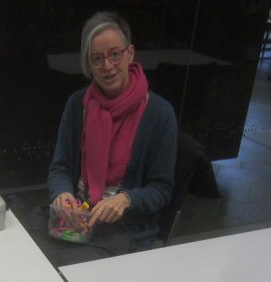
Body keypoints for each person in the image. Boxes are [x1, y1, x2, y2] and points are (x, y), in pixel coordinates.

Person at [47, 11, 177, 256]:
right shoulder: (77, 105)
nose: (107, 66)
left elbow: (161, 189)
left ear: (130, 53)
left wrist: (126, 199)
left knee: (64, 267)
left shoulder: (159, 114)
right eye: (97, 59)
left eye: (115, 54)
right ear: (89, 65)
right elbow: (60, 168)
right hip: (76, 218)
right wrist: (62, 193)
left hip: (126, 228)